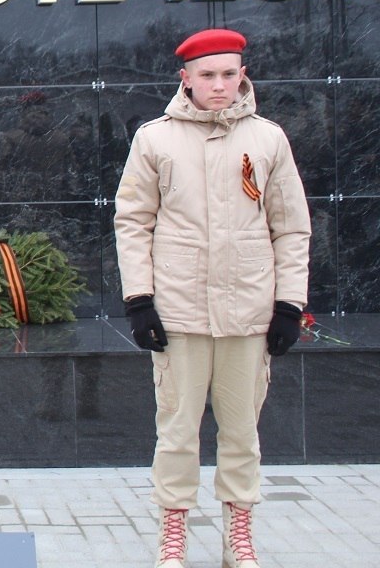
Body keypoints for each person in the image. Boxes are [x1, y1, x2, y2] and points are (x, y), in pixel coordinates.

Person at [113, 28, 310, 568]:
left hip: (248, 312)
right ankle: (173, 536)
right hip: (180, 313)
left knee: (242, 431)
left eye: (229, 74)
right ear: (186, 79)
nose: (219, 86)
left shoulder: (268, 139)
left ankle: (237, 538)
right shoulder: (155, 139)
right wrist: (140, 300)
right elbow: (133, 222)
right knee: (176, 431)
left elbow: (291, 228)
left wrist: (289, 304)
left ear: (242, 75)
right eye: (207, 76)